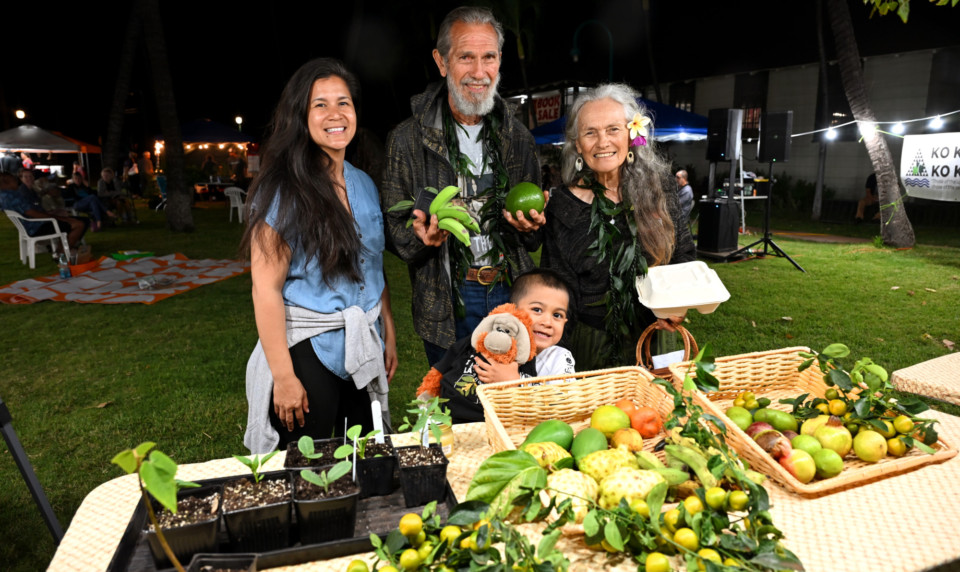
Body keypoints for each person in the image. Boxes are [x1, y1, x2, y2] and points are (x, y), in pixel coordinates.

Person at [241, 58, 397, 454]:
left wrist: (388, 332)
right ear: (301, 116)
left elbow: (372, 268)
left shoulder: (363, 183)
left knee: (364, 458)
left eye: (343, 103)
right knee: (309, 473)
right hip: (309, 350)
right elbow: (265, 289)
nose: (335, 115)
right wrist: (284, 376)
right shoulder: (281, 190)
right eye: (320, 105)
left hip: (363, 344)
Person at [382, 5, 543, 368]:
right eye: (465, 57)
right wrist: (419, 238)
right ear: (441, 62)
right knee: (455, 403)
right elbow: (393, 229)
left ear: (500, 60)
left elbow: (533, 237)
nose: (479, 72)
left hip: (510, 290)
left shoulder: (517, 137)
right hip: (446, 297)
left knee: (511, 401)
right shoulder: (407, 140)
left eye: (488, 57)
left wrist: (531, 226)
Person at [535, 84, 696, 371]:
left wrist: (676, 304)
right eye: (590, 132)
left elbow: (683, 254)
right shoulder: (563, 204)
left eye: (613, 129)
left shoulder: (660, 189)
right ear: (578, 145)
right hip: (588, 345)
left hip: (655, 335)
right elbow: (555, 287)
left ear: (633, 134)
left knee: (659, 411)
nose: (602, 142)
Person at [419, 268, 576, 423]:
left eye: (557, 315)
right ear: (513, 310)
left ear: (565, 322)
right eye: (537, 310)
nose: (547, 322)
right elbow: (450, 365)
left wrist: (514, 381)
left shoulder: (559, 359)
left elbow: (561, 408)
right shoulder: (492, 343)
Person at [0, 168, 86, 250]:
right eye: (13, 179)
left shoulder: (5, 196)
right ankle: (61, 253)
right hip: (37, 227)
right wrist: (60, 218)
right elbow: (32, 213)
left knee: (80, 221)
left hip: (35, 224)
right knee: (79, 224)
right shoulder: (13, 197)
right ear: (6, 182)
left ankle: (65, 249)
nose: (16, 181)